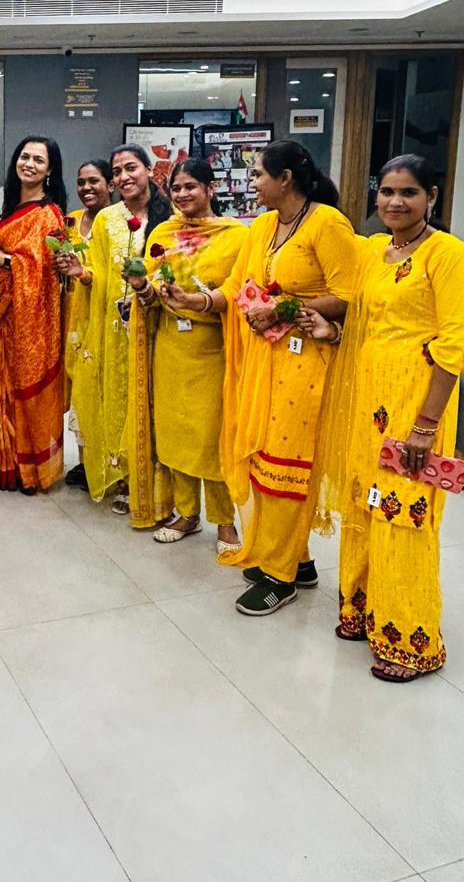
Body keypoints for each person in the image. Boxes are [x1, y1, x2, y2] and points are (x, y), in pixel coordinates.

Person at [164, 140, 357, 615]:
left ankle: (279, 575)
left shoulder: (327, 223)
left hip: (306, 365)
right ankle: (297, 560)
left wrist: (283, 308)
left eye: (258, 175)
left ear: (285, 178)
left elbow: (348, 295)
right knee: (264, 464)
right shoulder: (266, 225)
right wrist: (197, 301)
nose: (252, 183)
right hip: (263, 361)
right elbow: (236, 288)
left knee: (286, 467)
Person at [305, 155, 464, 681]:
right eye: (388, 191)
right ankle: (365, 610)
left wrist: (426, 425)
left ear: (432, 197)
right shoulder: (375, 251)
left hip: (415, 403)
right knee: (367, 502)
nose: (396, 202)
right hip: (367, 398)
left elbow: (454, 344)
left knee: (404, 514)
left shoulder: (447, 254)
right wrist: (331, 331)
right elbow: (363, 318)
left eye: (409, 192)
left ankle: (410, 639)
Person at [124, 159, 246, 548]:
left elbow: (242, 291)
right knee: (174, 433)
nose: (182, 194)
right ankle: (187, 514)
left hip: (213, 348)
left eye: (190, 186)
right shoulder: (163, 232)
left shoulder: (235, 237)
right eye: (175, 188)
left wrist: (199, 301)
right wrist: (141, 286)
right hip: (170, 346)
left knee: (211, 437)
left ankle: (225, 520)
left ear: (211, 188)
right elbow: (150, 295)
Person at [64, 144, 170, 521]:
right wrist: (83, 274)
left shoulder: (168, 216)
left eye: (131, 168)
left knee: (154, 400)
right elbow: (97, 271)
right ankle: (125, 477)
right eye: (118, 171)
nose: (124, 177)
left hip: (158, 322)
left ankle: (158, 481)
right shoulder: (108, 219)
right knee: (118, 397)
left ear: (149, 170)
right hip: (114, 327)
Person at [0, 136, 67, 493]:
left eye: (38, 160)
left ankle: (28, 469)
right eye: (24, 156)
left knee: (20, 385)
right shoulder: (12, 208)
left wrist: (8, 261)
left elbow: (48, 272)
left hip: (28, 318)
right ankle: (0, 462)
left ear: (49, 169)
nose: (29, 164)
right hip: (0, 314)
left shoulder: (49, 214)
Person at [58, 159, 113, 490]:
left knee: (105, 389)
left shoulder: (118, 222)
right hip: (73, 314)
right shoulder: (71, 221)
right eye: (81, 182)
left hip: (105, 315)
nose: (87, 188)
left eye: (94, 181)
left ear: (110, 184)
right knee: (80, 389)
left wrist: (86, 274)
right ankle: (84, 460)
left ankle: (109, 462)